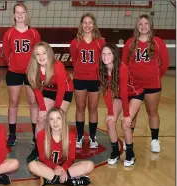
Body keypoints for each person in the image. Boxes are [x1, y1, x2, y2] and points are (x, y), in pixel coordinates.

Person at [122, 14, 169, 153]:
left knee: (152, 111)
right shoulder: (130, 42)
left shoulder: (158, 42)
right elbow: (124, 63)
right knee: (132, 114)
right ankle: (128, 138)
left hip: (152, 85)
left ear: (150, 26)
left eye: (146, 23)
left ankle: (154, 140)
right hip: (133, 85)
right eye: (140, 24)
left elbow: (165, 63)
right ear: (137, 26)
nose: (143, 26)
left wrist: (155, 76)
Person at [26, 41, 74, 162]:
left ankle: (61, 149)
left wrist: (55, 110)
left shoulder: (57, 65)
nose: (41, 57)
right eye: (38, 54)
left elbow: (62, 89)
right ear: (34, 56)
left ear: (49, 54)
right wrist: (42, 109)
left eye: (44, 53)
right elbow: (37, 89)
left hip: (64, 91)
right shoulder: (33, 68)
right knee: (41, 119)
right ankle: (37, 149)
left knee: (57, 119)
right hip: (48, 89)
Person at [3, 3, 41, 152]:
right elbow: (6, 53)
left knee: (33, 102)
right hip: (14, 72)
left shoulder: (34, 33)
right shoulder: (9, 34)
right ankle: (12, 134)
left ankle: (35, 133)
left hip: (31, 72)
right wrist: (14, 64)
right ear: (14, 15)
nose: (20, 15)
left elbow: (39, 52)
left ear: (26, 14)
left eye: (22, 12)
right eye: (17, 13)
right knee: (13, 102)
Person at [100, 43, 144, 167]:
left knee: (125, 124)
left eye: (109, 53)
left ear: (114, 55)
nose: (105, 56)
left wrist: (126, 115)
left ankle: (130, 154)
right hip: (119, 96)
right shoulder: (102, 69)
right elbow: (106, 92)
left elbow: (124, 92)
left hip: (135, 94)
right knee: (109, 121)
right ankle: (115, 152)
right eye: (103, 54)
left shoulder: (122, 68)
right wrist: (110, 112)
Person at [27, 107, 94, 186]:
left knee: (90, 165)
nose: (55, 122)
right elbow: (43, 158)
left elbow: (71, 158)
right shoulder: (41, 135)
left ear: (63, 120)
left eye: (58, 118)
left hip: (65, 167)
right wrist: (56, 167)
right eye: (51, 119)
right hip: (48, 167)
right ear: (48, 122)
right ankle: (68, 181)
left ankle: (51, 180)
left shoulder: (71, 136)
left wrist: (63, 169)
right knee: (32, 165)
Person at [70, 12, 106, 149]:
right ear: (81, 25)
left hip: (94, 80)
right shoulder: (75, 42)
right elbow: (74, 60)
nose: (87, 25)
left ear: (94, 24)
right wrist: (81, 70)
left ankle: (92, 137)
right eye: (85, 22)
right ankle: (79, 137)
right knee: (80, 108)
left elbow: (104, 60)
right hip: (79, 79)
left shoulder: (100, 41)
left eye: (90, 23)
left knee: (93, 108)